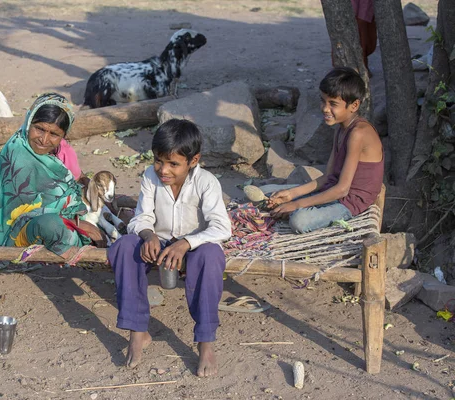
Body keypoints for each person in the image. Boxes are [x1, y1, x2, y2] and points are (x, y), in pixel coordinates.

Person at [107, 119, 232, 377]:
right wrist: (148, 234)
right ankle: (138, 331)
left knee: (211, 256)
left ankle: (205, 342)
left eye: (173, 164)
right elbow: (142, 216)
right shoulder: (150, 176)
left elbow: (222, 228)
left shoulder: (206, 182)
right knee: (123, 247)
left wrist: (187, 243)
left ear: (193, 161)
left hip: (196, 244)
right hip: (161, 241)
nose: (164, 170)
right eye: (158, 160)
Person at [0, 92, 103, 257]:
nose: (44, 139)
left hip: (46, 223)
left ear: (63, 136)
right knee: (51, 225)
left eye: (54, 134)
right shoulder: (18, 154)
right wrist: (75, 222)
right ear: (28, 122)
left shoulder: (55, 157)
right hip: (12, 233)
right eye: (39, 129)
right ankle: (78, 248)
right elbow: (19, 211)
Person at [262, 67, 383, 233]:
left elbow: (342, 189)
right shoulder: (341, 128)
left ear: (354, 105)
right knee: (268, 194)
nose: (325, 109)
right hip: (334, 190)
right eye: (323, 101)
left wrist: (296, 204)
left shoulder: (358, 133)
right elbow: (327, 177)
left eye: (333, 104)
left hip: (350, 201)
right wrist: (291, 194)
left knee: (299, 221)